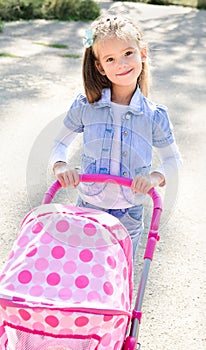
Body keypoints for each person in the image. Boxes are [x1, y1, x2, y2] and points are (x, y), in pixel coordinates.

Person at [50, 14, 182, 259]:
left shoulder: (154, 116)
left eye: (128, 53)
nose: (121, 64)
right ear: (100, 66)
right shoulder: (86, 106)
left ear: (143, 53)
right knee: (86, 268)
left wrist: (154, 177)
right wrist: (60, 166)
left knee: (118, 273)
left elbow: (173, 160)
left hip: (129, 213)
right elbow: (59, 143)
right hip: (89, 206)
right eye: (110, 58)